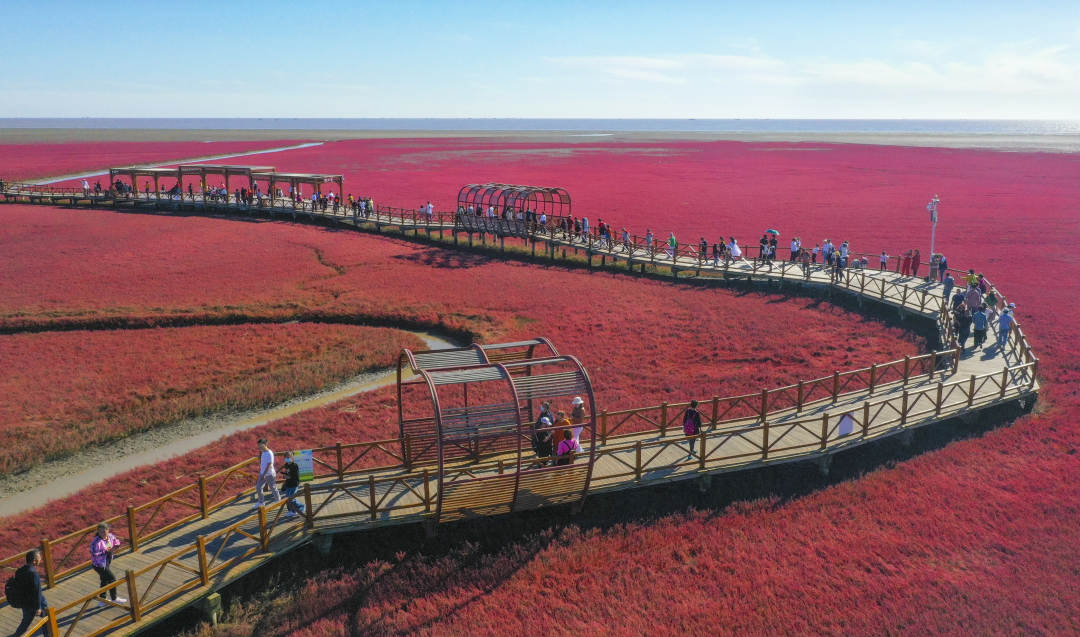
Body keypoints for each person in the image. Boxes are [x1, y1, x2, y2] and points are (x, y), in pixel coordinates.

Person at [10, 550, 48, 637]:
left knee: (25, 622)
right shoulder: (34, 574)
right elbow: (37, 592)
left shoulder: (19, 571)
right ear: (34, 561)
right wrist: (38, 608)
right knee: (47, 617)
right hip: (35, 603)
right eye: (39, 558)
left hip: (25, 602)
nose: (40, 559)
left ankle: (17, 635)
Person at [89, 523, 126, 607]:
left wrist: (116, 545)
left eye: (104, 531)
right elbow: (94, 553)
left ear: (108, 530)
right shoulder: (96, 542)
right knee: (112, 578)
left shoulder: (110, 536)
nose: (103, 533)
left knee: (104, 580)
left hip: (107, 561)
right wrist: (105, 551)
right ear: (98, 532)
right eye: (101, 531)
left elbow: (116, 541)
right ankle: (114, 598)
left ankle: (102, 600)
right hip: (100, 565)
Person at [254, 438, 280, 508]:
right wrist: (262, 473)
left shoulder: (269, 453)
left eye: (260, 445)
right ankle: (261, 502)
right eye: (258, 445)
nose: (259, 447)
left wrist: (264, 474)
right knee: (258, 487)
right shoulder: (263, 452)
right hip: (262, 473)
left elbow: (269, 465)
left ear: (265, 444)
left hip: (269, 474)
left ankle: (278, 500)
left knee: (273, 487)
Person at [280, 451, 305, 518]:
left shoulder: (295, 465)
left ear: (292, 457)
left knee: (291, 498)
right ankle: (291, 511)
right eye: (286, 457)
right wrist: (284, 475)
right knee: (287, 498)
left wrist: (288, 477)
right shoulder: (286, 465)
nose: (287, 458)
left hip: (294, 484)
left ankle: (301, 507)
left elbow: (296, 476)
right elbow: (287, 473)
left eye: (289, 457)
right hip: (288, 484)